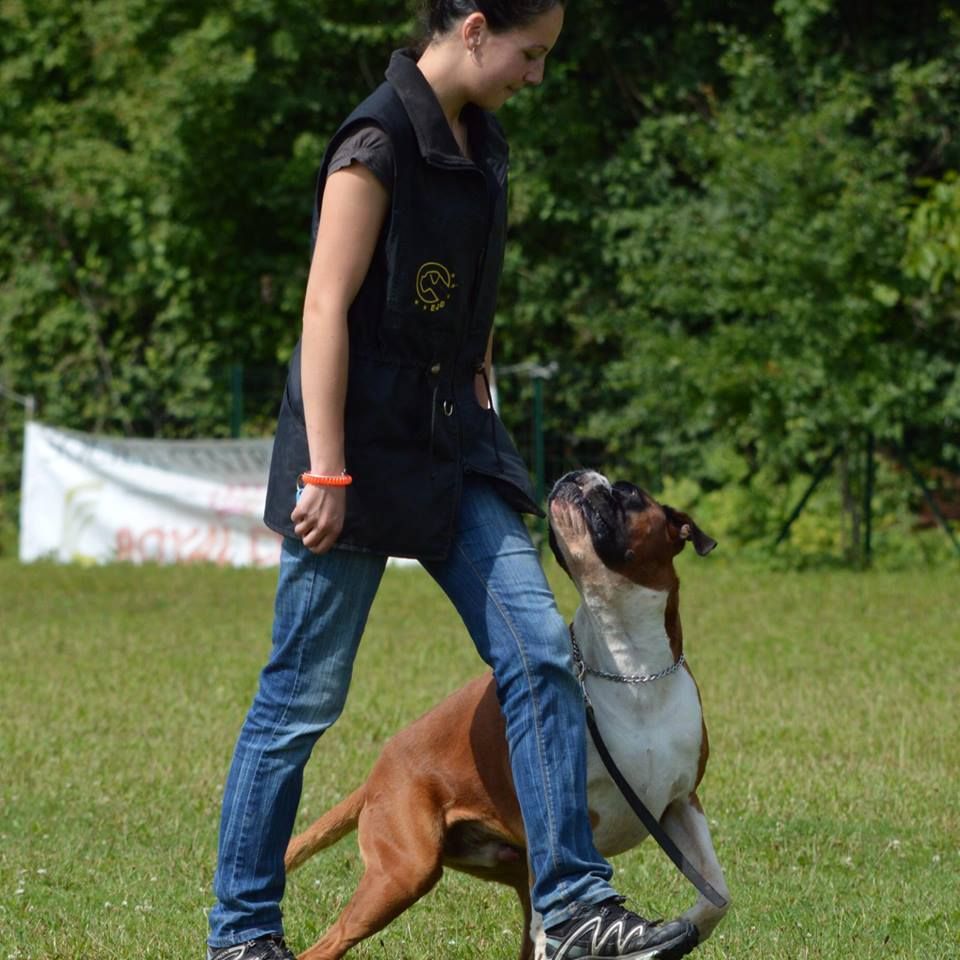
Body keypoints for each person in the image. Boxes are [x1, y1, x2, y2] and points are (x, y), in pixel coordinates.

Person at [207, 2, 699, 959]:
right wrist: (325, 465)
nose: (537, 74)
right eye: (531, 53)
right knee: (298, 703)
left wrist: (480, 359)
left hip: (456, 449)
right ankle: (241, 935)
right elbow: (323, 305)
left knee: (541, 656)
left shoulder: (488, 146)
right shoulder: (374, 140)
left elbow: (469, 283)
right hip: (354, 453)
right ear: (474, 28)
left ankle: (570, 912)